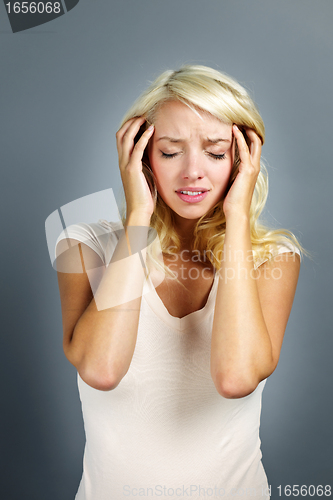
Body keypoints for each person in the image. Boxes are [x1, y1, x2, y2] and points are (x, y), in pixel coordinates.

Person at [55, 65, 303, 500]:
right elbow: (101, 369)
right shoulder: (83, 244)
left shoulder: (272, 260)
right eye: (170, 152)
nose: (193, 172)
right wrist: (136, 219)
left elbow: (236, 377)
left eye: (215, 151)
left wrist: (238, 218)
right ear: (142, 156)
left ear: (243, 159)